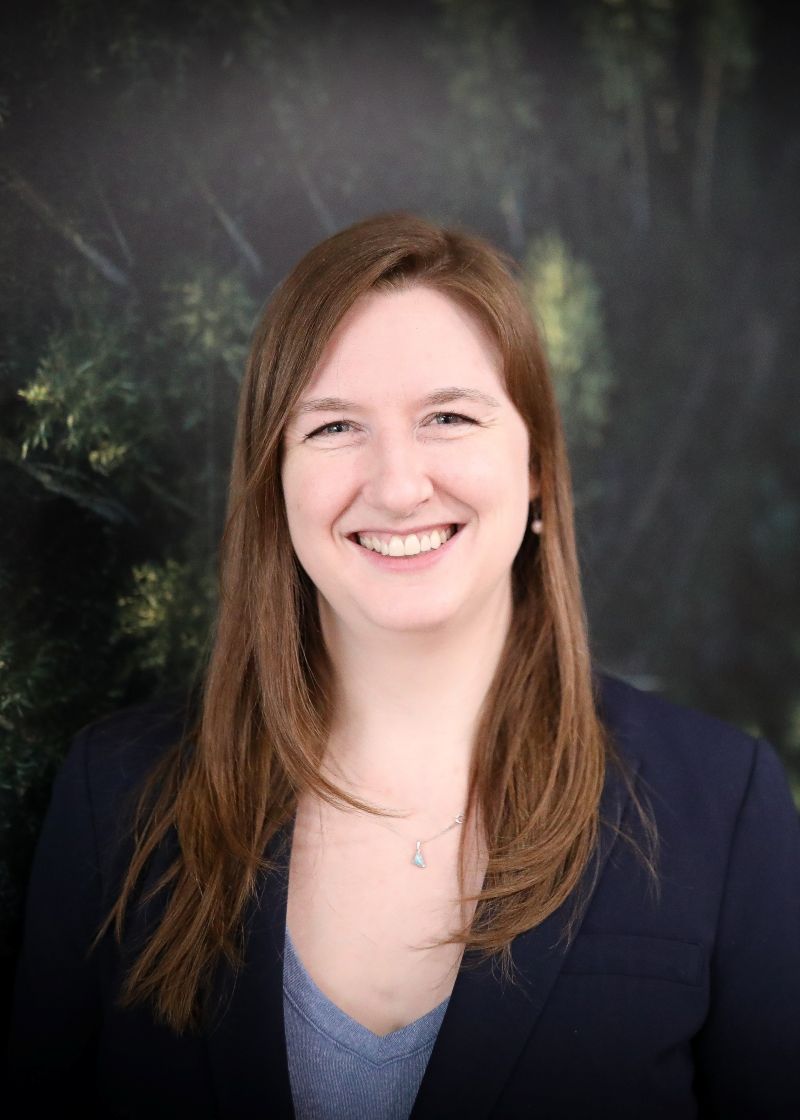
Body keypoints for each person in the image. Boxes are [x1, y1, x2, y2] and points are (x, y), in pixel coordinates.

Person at [8, 213, 800, 1119]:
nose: (396, 484)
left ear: (538, 463)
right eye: (336, 426)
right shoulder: (115, 798)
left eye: (449, 417)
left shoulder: (721, 806)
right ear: (274, 479)